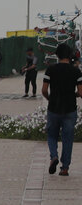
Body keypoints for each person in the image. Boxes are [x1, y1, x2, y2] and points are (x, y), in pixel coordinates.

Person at [42, 43, 82, 177]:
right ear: (69, 55)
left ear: (57, 55)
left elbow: (44, 90)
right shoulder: (76, 71)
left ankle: (53, 156)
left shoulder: (50, 70)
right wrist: (73, 94)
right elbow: (81, 92)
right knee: (68, 139)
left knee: (52, 135)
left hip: (54, 108)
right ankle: (65, 168)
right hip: (70, 109)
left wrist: (50, 98)